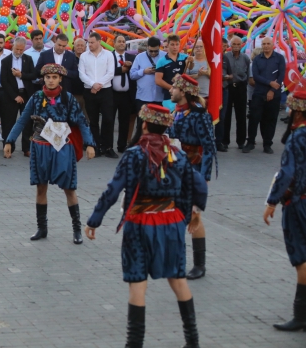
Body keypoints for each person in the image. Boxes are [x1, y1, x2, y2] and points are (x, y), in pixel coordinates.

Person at [85, 103, 208, 348]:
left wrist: (94, 219)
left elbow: (113, 189)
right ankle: (193, 341)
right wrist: (193, 213)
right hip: (171, 222)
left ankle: (134, 345)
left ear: (143, 124)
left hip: (140, 223)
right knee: (178, 280)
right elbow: (200, 186)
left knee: (138, 284)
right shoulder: (177, 153)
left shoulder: (134, 154)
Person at [4, 63, 95, 244]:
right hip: (40, 146)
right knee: (40, 187)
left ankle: (77, 229)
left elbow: (82, 122)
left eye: (54, 77)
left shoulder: (68, 99)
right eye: (48, 77)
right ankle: (41, 228)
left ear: (60, 79)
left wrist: (90, 144)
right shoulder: (36, 98)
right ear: (43, 79)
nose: (51, 80)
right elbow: (22, 120)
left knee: (69, 188)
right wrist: (9, 140)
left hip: (63, 147)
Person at [168, 74, 217, 281]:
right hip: (175, 169)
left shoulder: (199, 115)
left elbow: (209, 147)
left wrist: (203, 177)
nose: (170, 90)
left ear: (184, 92)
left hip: (193, 170)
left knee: (193, 214)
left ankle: (199, 264)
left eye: (174, 88)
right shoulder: (176, 112)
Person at [264, 91, 306, 332]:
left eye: (291, 108)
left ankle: (300, 314)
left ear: (298, 110)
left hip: (299, 202)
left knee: (301, 258)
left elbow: (287, 173)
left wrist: (272, 202)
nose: (288, 112)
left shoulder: (297, 137)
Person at [244, 37, 285, 154]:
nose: (266, 46)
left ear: (273, 45)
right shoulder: (257, 59)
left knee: (270, 119)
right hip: (259, 93)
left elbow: (281, 75)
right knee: (254, 118)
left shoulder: (279, 58)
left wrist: (272, 89)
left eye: (268, 44)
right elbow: (256, 76)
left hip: (274, 94)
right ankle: (250, 142)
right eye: (264, 44)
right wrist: (269, 82)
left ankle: (267, 144)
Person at [79, 32, 116, 158]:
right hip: (90, 91)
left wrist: (99, 85)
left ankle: (108, 146)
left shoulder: (108, 55)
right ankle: (96, 146)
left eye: (92, 42)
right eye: (88, 42)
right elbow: (82, 74)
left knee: (108, 119)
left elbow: (111, 72)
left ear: (99, 42)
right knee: (93, 120)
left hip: (105, 90)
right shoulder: (84, 56)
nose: (90, 45)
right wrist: (93, 84)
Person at [1, 37, 35, 157]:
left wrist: (21, 75)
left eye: (21, 50)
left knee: (27, 122)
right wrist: (15, 96)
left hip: (26, 94)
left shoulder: (28, 59)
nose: (19, 52)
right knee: (8, 122)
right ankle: (9, 147)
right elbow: (3, 81)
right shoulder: (5, 61)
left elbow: (33, 75)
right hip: (11, 96)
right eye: (17, 49)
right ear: (12, 46)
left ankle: (26, 148)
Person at [130, 37, 166, 130]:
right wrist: (144, 71)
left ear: (160, 47)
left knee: (159, 125)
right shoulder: (139, 57)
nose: (153, 53)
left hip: (160, 97)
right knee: (142, 126)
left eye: (156, 51)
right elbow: (132, 75)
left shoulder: (165, 56)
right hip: (143, 97)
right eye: (151, 51)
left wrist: (159, 72)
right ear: (147, 47)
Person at [223, 36, 251, 150]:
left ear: (241, 45)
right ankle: (225, 141)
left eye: (238, 44)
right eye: (234, 44)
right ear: (230, 45)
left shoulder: (245, 58)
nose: (236, 46)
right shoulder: (225, 57)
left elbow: (248, 73)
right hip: (228, 87)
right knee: (226, 115)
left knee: (241, 115)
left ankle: (241, 141)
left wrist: (244, 83)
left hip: (241, 87)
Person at [112, 35, 137, 153]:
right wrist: (120, 70)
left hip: (127, 94)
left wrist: (130, 67)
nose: (122, 43)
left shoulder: (132, 58)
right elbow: (106, 71)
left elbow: (136, 72)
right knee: (109, 120)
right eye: (119, 41)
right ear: (114, 43)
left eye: (123, 42)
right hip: (111, 93)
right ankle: (107, 146)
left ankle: (122, 146)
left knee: (125, 121)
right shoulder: (108, 56)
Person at [155, 34, 187, 109]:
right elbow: (158, 80)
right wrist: (174, 89)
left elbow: (191, 71)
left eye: (177, 44)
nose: (175, 47)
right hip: (169, 98)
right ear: (168, 45)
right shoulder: (161, 61)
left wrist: (191, 61)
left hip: (184, 97)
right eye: (172, 44)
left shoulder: (185, 58)